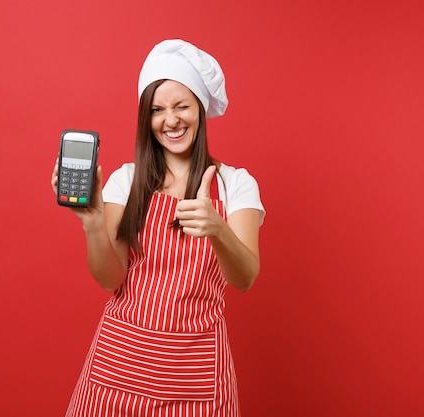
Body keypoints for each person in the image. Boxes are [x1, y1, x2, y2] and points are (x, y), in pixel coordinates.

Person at [50, 39, 265, 417]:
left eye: (182, 106)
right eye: (157, 110)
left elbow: (244, 278)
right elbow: (110, 279)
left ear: (199, 108)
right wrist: (93, 223)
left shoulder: (235, 185)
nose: (171, 120)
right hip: (119, 369)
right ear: (146, 119)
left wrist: (218, 229)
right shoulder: (126, 181)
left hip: (194, 375)